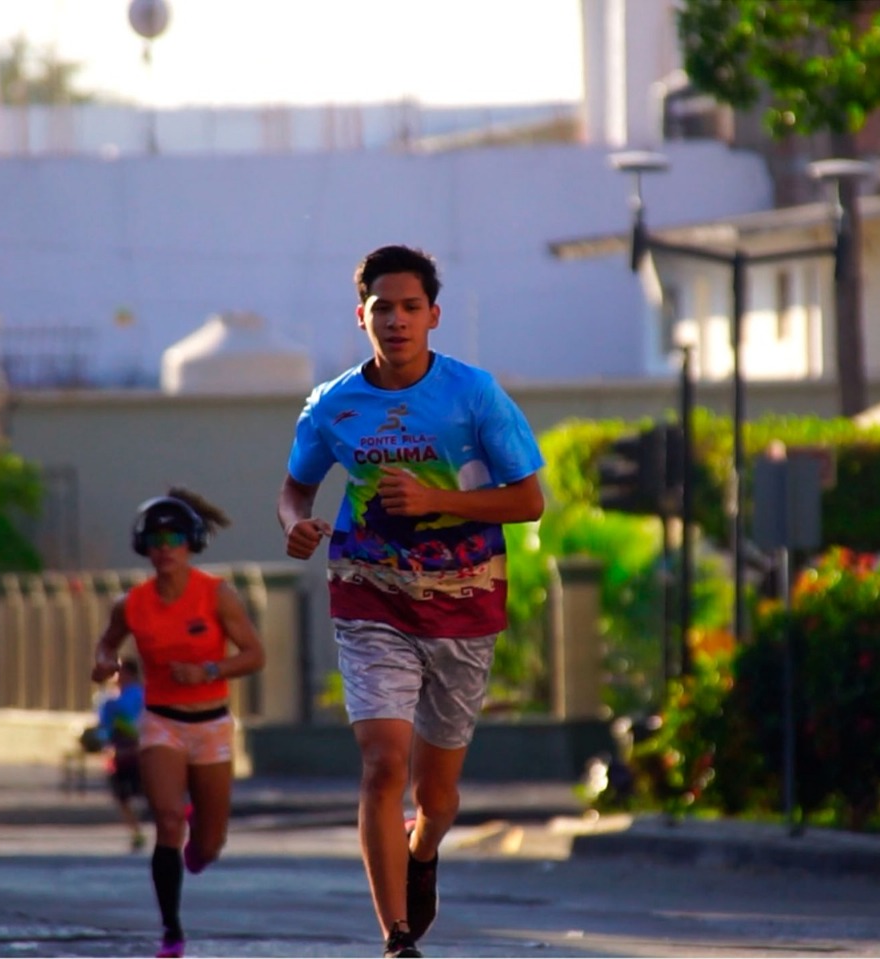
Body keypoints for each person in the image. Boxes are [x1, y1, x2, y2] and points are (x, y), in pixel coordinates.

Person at [277, 244, 545, 958]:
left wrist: (434, 501)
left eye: (409, 307)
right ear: (361, 316)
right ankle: (396, 937)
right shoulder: (333, 404)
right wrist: (294, 521)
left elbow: (528, 499)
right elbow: (296, 486)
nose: (395, 320)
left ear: (433, 315)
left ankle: (422, 849)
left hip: (464, 600)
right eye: (382, 308)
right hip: (370, 597)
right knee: (382, 763)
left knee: (437, 797)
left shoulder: (474, 394)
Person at [91, 486, 266, 959]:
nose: (165, 548)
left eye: (174, 539)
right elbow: (107, 642)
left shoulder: (217, 594)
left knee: (208, 844)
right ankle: (171, 931)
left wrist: (210, 670)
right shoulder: (132, 604)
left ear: (191, 544)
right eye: (156, 540)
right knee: (168, 821)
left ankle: (199, 846)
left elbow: (255, 655)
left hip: (211, 725)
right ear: (144, 547)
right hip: (161, 723)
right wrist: (104, 661)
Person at [95, 656, 147, 852]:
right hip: (117, 753)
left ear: (130, 674)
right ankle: (136, 832)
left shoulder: (140, 696)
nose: (116, 677)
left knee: (149, 793)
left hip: (139, 753)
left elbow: (143, 723)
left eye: (119, 672)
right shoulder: (108, 699)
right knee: (121, 796)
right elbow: (103, 727)